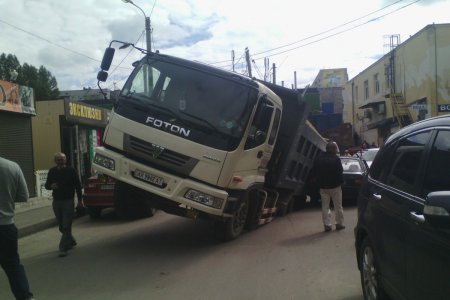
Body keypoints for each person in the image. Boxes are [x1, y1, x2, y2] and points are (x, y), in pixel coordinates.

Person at [0, 156, 35, 300]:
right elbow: (23, 196)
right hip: (5, 226)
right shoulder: (11, 166)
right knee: (12, 264)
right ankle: (25, 297)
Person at [45, 152, 83, 257]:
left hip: (68, 201)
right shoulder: (52, 171)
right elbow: (47, 185)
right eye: (58, 159)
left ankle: (63, 248)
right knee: (61, 226)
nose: (60, 161)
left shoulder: (71, 170)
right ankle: (71, 240)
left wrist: (80, 200)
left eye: (62, 159)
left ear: (65, 160)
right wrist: (50, 186)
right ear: (55, 161)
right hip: (56, 201)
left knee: (66, 225)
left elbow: (78, 186)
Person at [312, 142, 344, 232]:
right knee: (338, 206)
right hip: (335, 187)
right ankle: (339, 224)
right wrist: (341, 183)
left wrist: (318, 183)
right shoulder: (336, 159)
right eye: (334, 148)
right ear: (331, 149)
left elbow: (314, 172)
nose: (336, 150)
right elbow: (340, 172)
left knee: (325, 206)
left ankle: (327, 225)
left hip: (323, 187)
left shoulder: (318, 159)